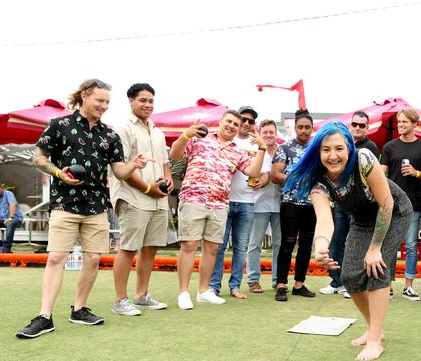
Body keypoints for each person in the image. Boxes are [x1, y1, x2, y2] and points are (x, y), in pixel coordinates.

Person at [16, 79, 150, 339]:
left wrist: (134, 165)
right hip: (65, 202)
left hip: (97, 205)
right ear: (85, 97)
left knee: (93, 259)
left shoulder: (109, 135)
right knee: (56, 257)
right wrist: (58, 173)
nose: (104, 106)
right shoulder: (60, 125)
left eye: (108, 102)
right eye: (100, 100)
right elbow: (39, 159)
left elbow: (119, 171)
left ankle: (79, 309)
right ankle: (45, 316)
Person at [286, 122, 411, 361]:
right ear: (318, 152)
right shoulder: (318, 181)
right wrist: (321, 248)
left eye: (338, 148)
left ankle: (375, 340)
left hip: (394, 213)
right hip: (362, 219)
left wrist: (375, 249)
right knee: (350, 276)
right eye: (326, 150)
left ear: (349, 148)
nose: (333, 156)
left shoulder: (364, 159)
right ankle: (375, 328)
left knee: (376, 268)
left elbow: (386, 204)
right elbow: (324, 220)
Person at [171, 110, 266, 309]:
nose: (231, 126)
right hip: (193, 199)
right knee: (189, 245)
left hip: (220, 203)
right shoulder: (200, 139)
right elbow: (175, 154)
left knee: (212, 248)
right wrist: (186, 134)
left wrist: (262, 149)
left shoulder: (237, 151)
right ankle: (183, 292)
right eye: (228, 121)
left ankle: (204, 290)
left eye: (235, 124)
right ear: (220, 122)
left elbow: (254, 172)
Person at [109, 83, 172, 316]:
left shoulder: (157, 130)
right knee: (128, 248)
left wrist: (168, 180)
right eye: (143, 100)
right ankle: (120, 300)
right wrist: (149, 188)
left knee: (150, 248)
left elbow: (165, 163)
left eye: (151, 101)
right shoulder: (123, 128)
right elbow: (122, 168)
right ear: (131, 101)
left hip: (158, 199)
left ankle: (141, 295)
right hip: (134, 197)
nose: (148, 105)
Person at [320, 111, 381, 298]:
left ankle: (352, 282)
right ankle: (336, 281)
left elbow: (373, 182)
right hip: (340, 201)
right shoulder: (337, 142)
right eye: (355, 124)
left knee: (355, 242)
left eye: (362, 125)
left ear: (367, 127)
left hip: (362, 204)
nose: (358, 128)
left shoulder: (369, 149)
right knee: (336, 239)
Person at [380, 109, 421, 300]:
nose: (400, 125)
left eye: (404, 122)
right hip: (391, 204)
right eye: (399, 122)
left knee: (411, 245)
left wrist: (416, 173)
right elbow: (381, 173)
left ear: (414, 124)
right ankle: (388, 285)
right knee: (390, 246)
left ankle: (409, 286)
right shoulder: (389, 147)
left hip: (413, 204)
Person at [210, 106, 260, 299]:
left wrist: (262, 180)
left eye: (250, 121)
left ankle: (235, 286)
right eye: (243, 120)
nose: (246, 124)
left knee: (240, 247)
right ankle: (214, 286)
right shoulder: (225, 141)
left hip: (247, 201)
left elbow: (262, 173)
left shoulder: (257, 143)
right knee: (219, 246)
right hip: (224, 200)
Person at [271, 109, 316, 301]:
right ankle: (281, 284)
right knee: (287, 243)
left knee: (306, 245)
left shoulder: (318, 149)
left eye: (307, 127)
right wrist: (297, 177)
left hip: (312, 203)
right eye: (300, 127)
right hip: (290, 203)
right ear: (295, 128)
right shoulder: (285, 148)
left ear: (312, 128)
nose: (304, 131)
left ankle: (299, 284)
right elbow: (275, 175)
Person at [245, 119, 282, 293]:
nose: (268, 135)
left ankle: (277, 279)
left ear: (276, 133)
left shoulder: (283, 150)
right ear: (259, 132)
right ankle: (253, 279)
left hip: (280, 205)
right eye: (265, 132)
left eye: (271, 132)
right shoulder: (254, 150)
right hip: (258, 203)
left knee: (279, 244)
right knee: (255, 243)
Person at [0, 181, 24, 253]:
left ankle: (6, 248)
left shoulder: (8, 194)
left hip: (15, 219)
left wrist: (10, 217)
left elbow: (12, 204)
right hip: (2, 220)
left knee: (10, 223)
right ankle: (1, 245)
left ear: (1, 188)